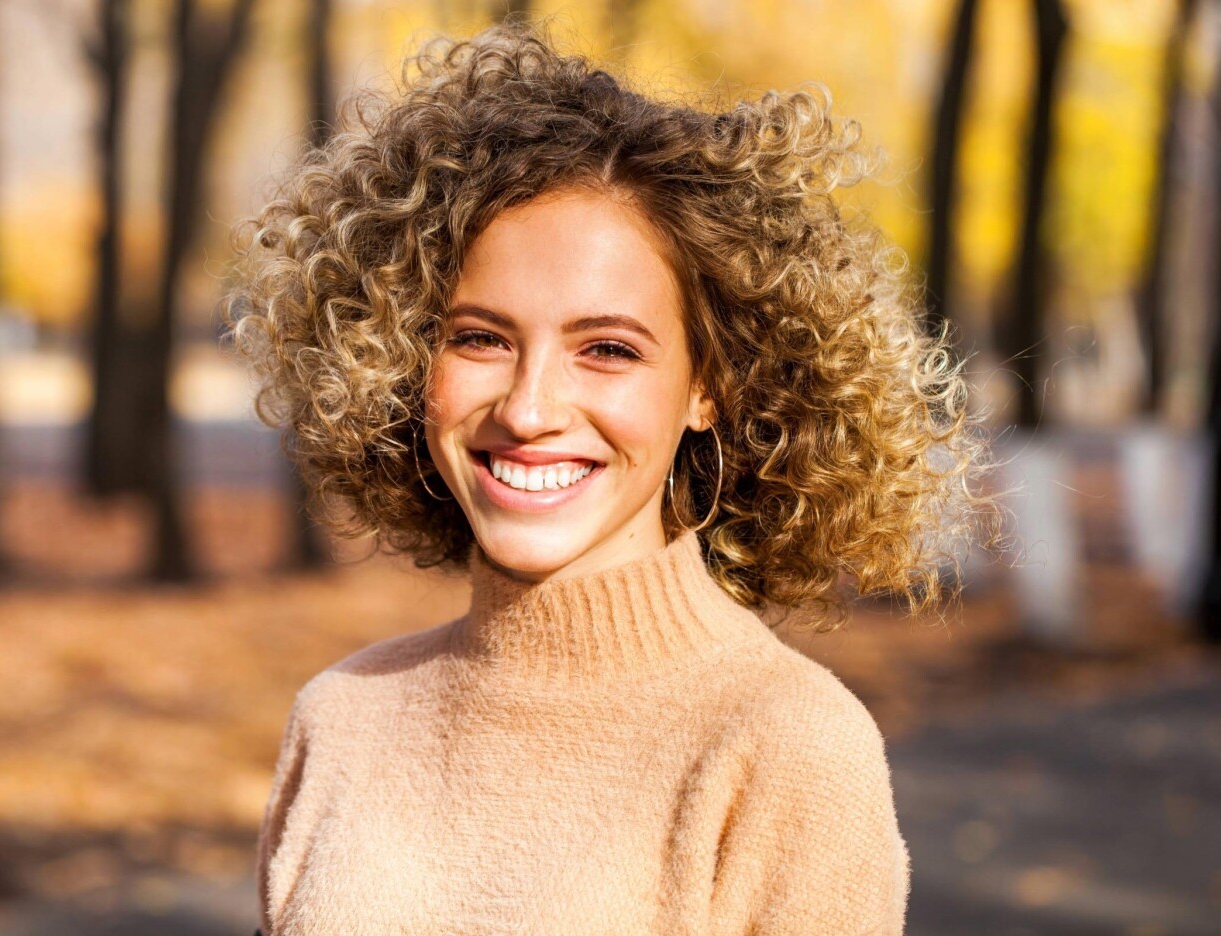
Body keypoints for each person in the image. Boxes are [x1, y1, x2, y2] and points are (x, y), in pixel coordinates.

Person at [226, 21, 990, 936]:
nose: (530, 407)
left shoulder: (784, 746)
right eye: (479, 338)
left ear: (710, 385)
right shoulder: (341, 719)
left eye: (608, 349)